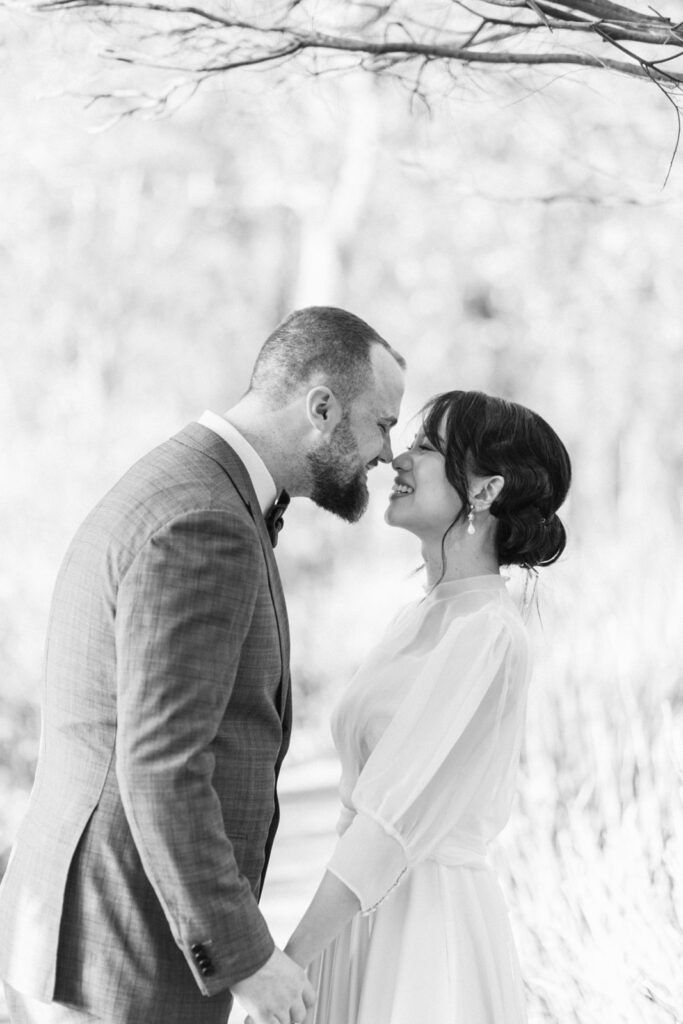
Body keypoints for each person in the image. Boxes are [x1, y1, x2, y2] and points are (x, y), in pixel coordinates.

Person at [0, 307, 406, 1024]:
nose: (386, 454)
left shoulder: (188, 481)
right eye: (381, 423)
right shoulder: (206, 518)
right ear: (321, 407)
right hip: (125, 950)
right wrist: (245, 958)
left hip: (102, 931)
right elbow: (161, 762)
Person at [280, 390, 572, 1024]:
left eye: (426, 448)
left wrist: (290, 960)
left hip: (424, 932)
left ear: (486, 492)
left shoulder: (488, 635)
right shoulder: (420, 618)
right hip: (358, 913)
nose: (398, 459)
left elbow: (388, 822)